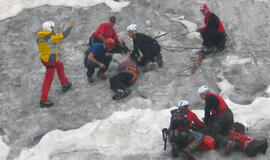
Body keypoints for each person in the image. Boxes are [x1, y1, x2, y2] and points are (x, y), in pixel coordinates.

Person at [37, 21, 74, 108]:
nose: (54, 29)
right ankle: (43, 100)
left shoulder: (40, 38)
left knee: (60, 65)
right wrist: (70, 27)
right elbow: (63, 35)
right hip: (50, 61)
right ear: (49, 29)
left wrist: (55, 52)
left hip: (46, 59)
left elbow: (47, 48)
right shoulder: (51, 37)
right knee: (48, 80)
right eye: (52, 28)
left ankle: (65, 83)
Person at [197, 86, 235, 153]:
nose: (202, 98)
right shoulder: (215, 96)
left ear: (203, 94)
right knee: (225, 132)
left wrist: (206, 123)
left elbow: (207, 111)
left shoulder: (208, 97)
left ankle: (227, 143)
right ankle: (234, 142)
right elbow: (216, 111)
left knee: (214, 132)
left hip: (222, 116)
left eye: (201, 96)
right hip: (229, 115)